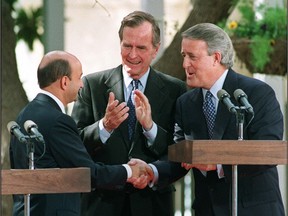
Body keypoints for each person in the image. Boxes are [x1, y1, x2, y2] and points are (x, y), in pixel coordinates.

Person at [131, 23, 285, 216]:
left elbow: (268, 151)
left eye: (192, 56)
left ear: (216, 58)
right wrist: (153, 170)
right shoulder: (185, 103)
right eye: (183, 56)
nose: (185, 64)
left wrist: (218, 164)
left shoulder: (257, 93)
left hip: (254, 210)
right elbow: (181, 156)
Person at [71, 11, 187, 216]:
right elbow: (74, 146)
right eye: (127, 46)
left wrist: (151, 129)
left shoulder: (175, 90)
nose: (132, 55)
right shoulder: (92, 85)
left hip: (153, 205)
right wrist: (104, 126)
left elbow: (181, 153)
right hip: (101, 204)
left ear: (155, 49)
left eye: (141, 47)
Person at [9, 51, 148, 216]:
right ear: (65, 82)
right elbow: (87, 173)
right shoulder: (58, 120)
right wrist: (130, 171)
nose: (82, 84)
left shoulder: (24, 115)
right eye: (79, 77)